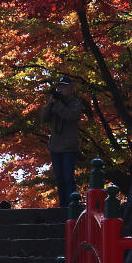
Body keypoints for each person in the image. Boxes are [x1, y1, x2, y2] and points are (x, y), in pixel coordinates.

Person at [41, 74, 82, 207]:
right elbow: (43, 118)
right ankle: (63, 206)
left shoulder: (75, 103)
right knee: (59, 179)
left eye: (63, 87)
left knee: (68, 178)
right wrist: (50, 103)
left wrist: (58, 104)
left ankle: (71, 206)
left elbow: (70, 116)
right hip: (55, 147)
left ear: (70, 89)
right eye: (58, 87)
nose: (60, 90)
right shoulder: (55, 102)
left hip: (69, 148)